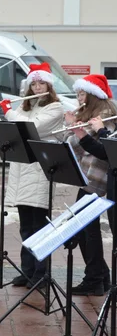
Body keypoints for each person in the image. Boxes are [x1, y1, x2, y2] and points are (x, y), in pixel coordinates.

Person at [0, 63, 64, 288]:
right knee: (26, 226)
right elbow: (12, 131)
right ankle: (27, 271)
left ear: (48, 84)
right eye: (34, 83)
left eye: (41, 83)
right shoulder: (25, 107)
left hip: (40, 170)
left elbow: (31, 128)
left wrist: (8, 110)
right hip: (22, 171)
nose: (38, 87)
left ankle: (42, 273)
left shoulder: (55, 108)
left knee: (40, 225)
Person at [63, 74, 117, 296]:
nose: (79, 98)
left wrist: (78, 131)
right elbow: (73, 145)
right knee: (84, 226)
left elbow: (103, 150)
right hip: (86, 175)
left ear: (94, 95)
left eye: (82, 93)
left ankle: (96, 277)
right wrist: (70, 126)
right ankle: (99, 276)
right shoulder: (89, 115)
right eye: (77, 94)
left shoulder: (105, 116)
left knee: (86, 227)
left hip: (98, 176)